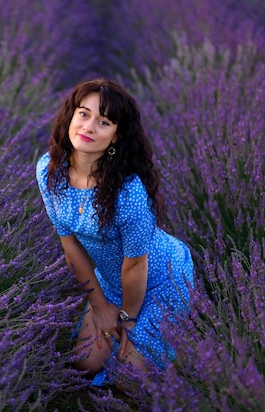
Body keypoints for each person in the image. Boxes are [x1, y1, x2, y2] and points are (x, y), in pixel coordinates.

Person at [36, 79, 194, 386]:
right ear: (71, 116)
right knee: (84, 363)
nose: (89, 126)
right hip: (112, 282)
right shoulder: (49, 171)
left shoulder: (128, 192)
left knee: (129, 379)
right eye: (83, 114)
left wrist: (128, 321)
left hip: (161, 277)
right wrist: (101, 307)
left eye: (103, 122)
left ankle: (180, 328)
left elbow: (136, 264)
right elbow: (69, 245)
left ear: (116, 136)